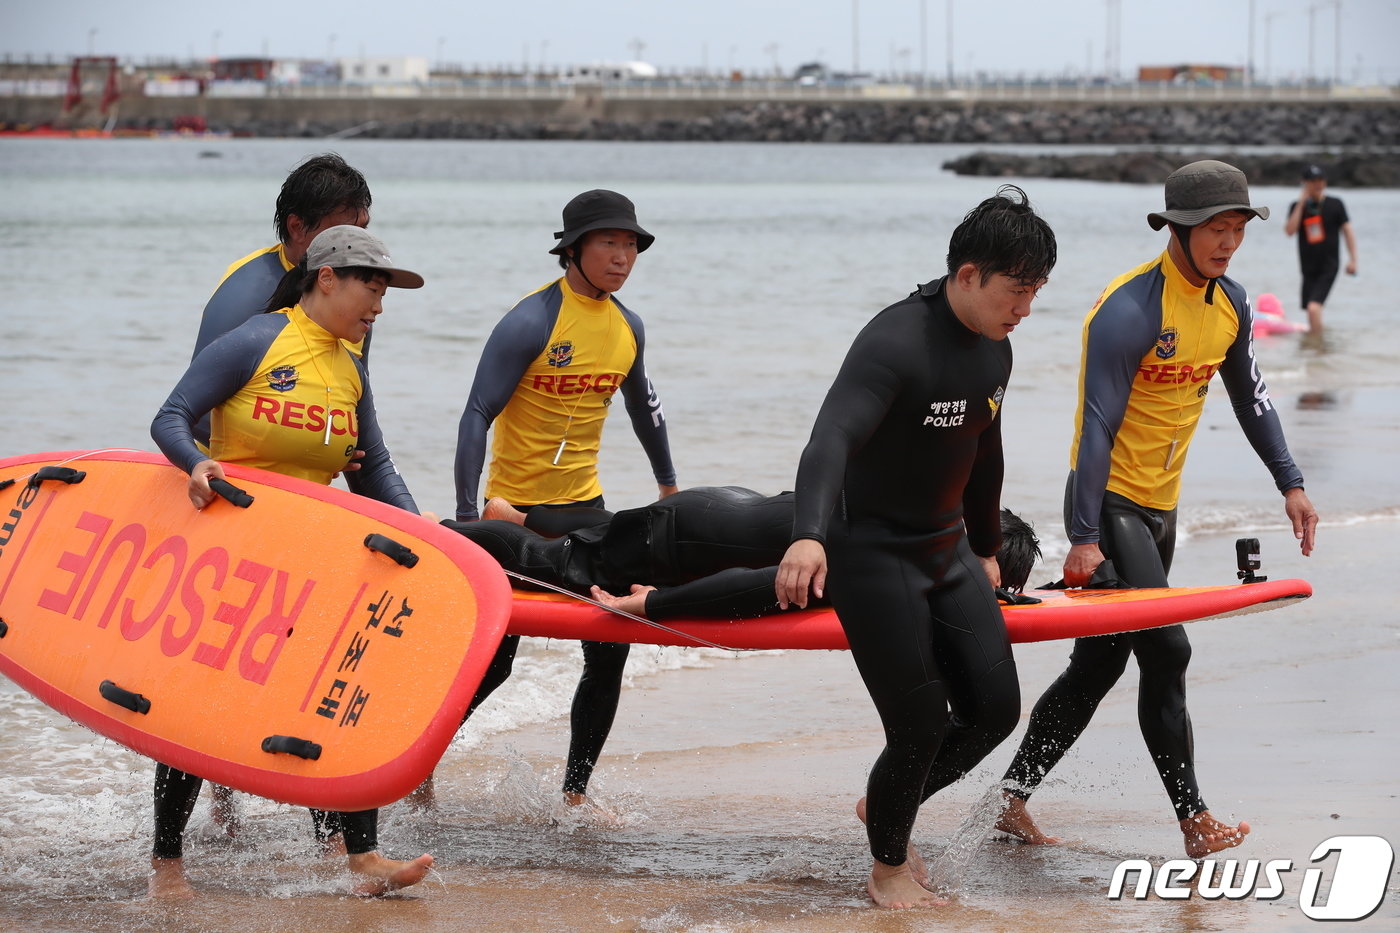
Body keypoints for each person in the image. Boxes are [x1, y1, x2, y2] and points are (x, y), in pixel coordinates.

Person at [996, 160, 1319, 859]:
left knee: (1099, 667)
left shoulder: (1228, 304)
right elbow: (1096, 427)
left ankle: (1011, 797)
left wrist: (1289, 482)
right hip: (1110, 504)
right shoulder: (1129, 310)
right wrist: (1084, 535)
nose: (1228, 242)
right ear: (1179, 227)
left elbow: (1253, 400)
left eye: (1237, 229)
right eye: (1214, 229)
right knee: (1169, 649)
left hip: (1159, 509)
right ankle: (1194, 819)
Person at [774, 186, 1058, 909]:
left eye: (1036, 292)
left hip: (946, 549)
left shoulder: (998, 349)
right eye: (1016, 290)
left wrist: (990, 548)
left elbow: (983, 451)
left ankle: (887, 804)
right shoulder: (896, 340)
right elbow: (829, 438)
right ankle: (888, 864)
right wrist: (808, 534)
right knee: (921, 721)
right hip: (873, 553)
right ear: (968, 275)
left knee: (995, 709)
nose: (1025, 307)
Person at [148, 226, 434, 898]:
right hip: (230, 558)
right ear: (327, 277)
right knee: (193, 712)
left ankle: (360, 857)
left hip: (314, 561)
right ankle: (166, 865)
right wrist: (198, 460)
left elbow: (376, 469)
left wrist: (428, 540)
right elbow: (171, 414)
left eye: (386, 292)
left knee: (334, 705)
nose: (380, 307)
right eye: (373, 286)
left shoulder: (350, 366)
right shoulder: (257, 340)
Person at [448, 189, 678, 812]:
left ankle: (574, 795)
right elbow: (477, 414)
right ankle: (421, 766)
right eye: (609, 242)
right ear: (573, 249)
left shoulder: (627, 327)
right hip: (511, 513)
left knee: (610, 651)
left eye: (631, 245)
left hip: (584, 505)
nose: (622, 256)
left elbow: (644, 410)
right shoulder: (532, 321)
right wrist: (469, 518)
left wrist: (668, 484)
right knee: (492, 666)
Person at [181, 151, 373, 844]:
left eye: (363, 227)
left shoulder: (347, 293)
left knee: (315, 668)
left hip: (312, 511)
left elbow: (349, 410)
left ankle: (337, 840)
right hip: (242, 513)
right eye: (338, 231)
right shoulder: (247, 300)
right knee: (220, 679)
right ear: (297, 230)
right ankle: (217, 811)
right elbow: (195, 411)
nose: (354, 247)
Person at [1283, 164, 1358, 334]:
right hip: (1308, 267)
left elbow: (1348, 231)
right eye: (1313, 181)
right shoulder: (1297, 206)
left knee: (1313, 308)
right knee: (1310, 310)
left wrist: (1353, 260)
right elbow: (1289, 231)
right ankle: (1316, 344)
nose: (1318, 184)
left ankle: (1318, 349)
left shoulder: (1335, 204)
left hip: (1329, 265)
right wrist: (1301, 203)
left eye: (1320, 180)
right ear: (1305, 183)